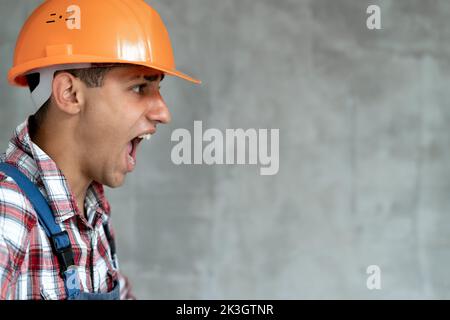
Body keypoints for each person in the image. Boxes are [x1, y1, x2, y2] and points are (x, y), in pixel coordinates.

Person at [0, 0, 200, 300]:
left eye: (159, 88)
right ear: (69, 93)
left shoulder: (92, 216)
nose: (163, 112)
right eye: (139, 87)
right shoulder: (8, 215)